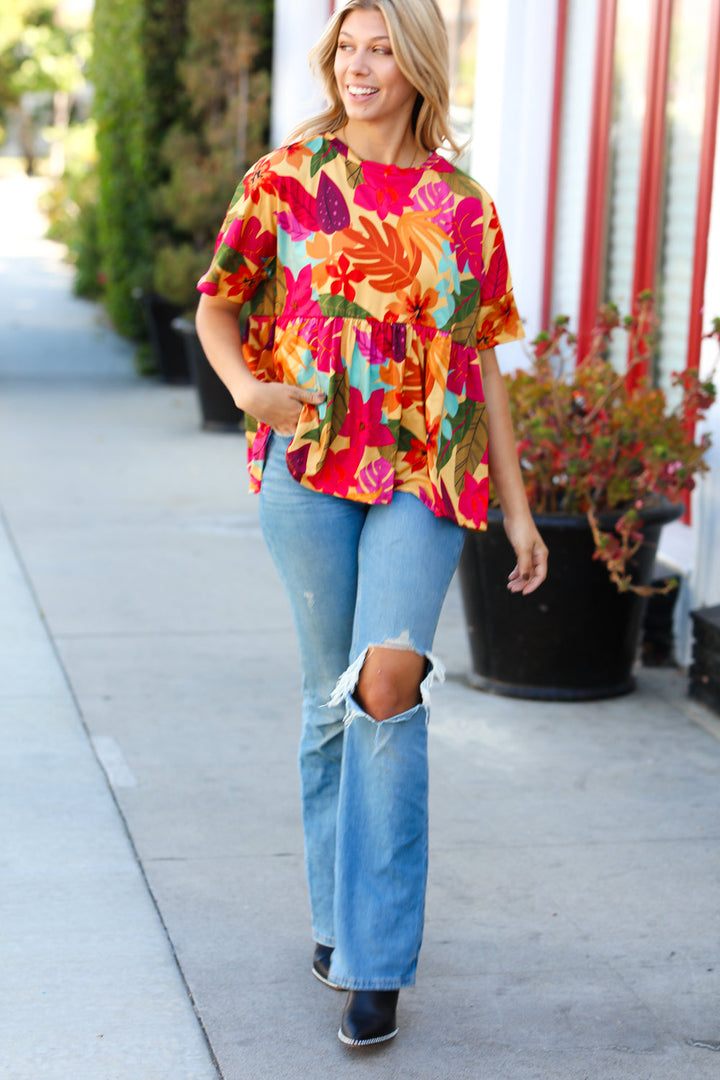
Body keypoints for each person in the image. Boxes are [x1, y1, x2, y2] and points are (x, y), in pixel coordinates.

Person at [196, 0, 548, 1049]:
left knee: (383, 688)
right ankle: (333, 915)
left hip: (426, 474)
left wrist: (520, 513)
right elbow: (218, 302)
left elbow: (484, 362)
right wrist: (247, 390)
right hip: (306, 467)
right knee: (326, 700)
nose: (359, 64)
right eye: (347, 46)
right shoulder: (284, 180)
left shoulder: (465, 210)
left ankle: (377, 962)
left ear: (421, 63)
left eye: (381, 46)